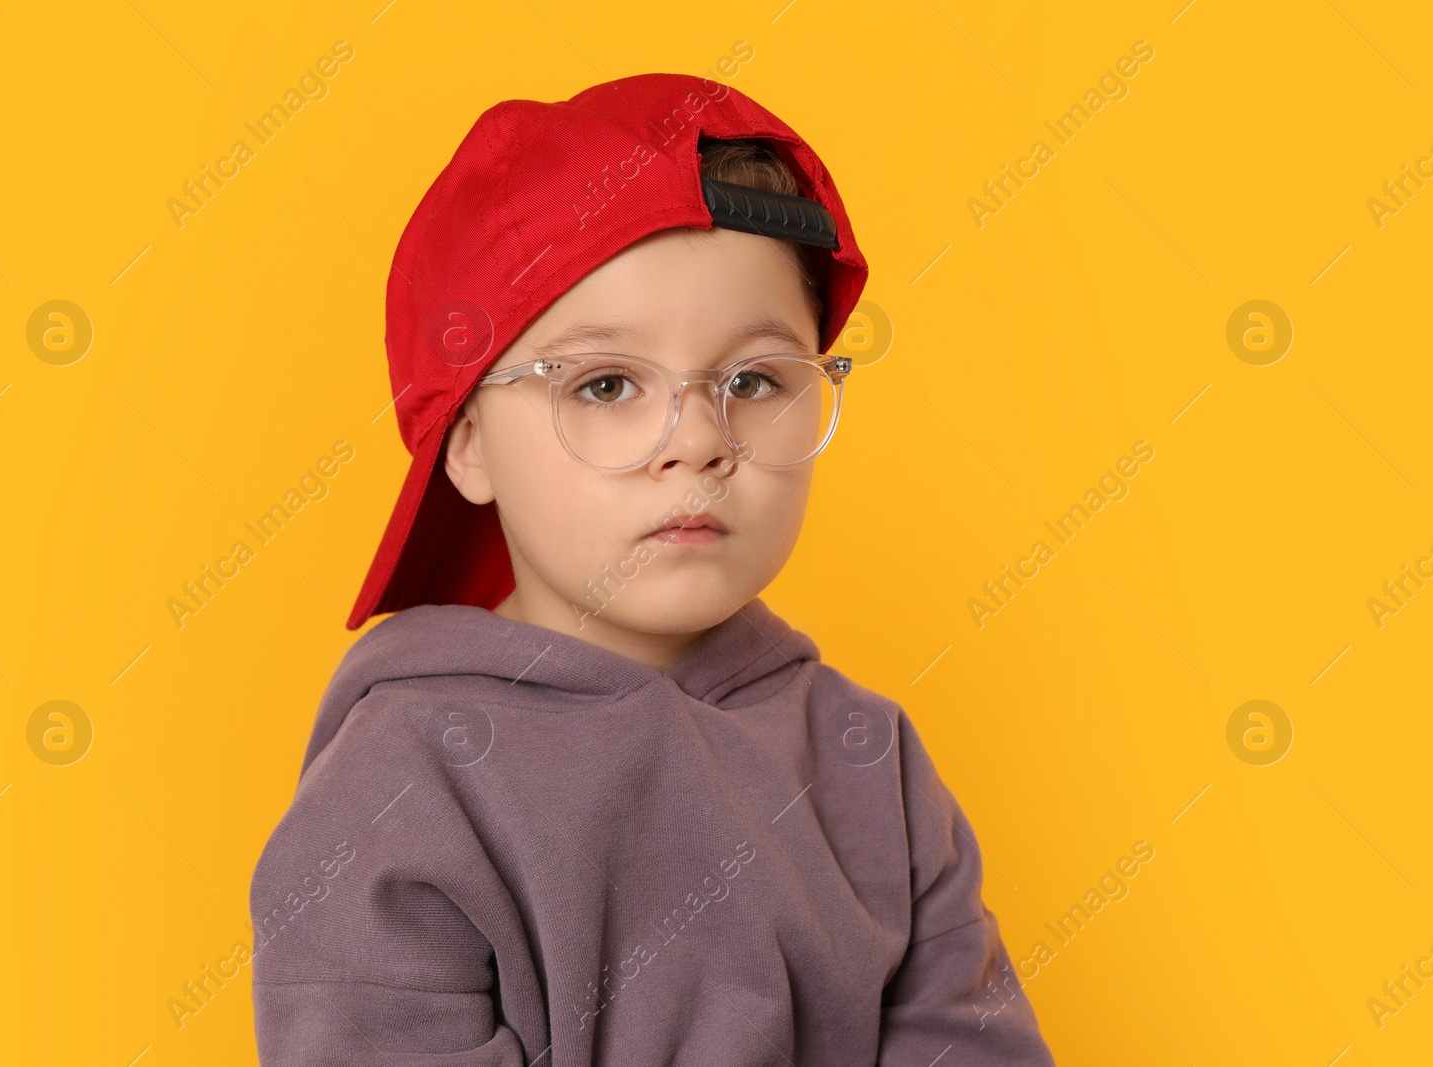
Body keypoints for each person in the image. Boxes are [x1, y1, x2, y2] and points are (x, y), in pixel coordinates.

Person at [248, 71, 1056, 1066]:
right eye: (606, 384)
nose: (699, 440)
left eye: (753, 379)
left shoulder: (867, 757)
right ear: (467, 441)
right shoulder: (400, 782)